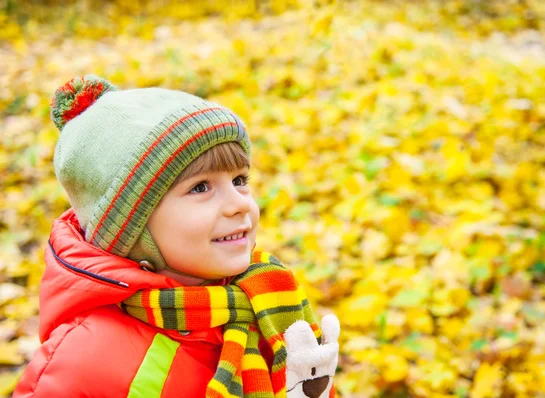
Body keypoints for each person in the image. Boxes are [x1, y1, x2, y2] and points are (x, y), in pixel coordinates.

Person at [13, 75, 339, 398]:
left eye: (239, 180)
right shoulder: (84, 364)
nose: (240, 203)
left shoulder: (270, 303)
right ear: (133, 227)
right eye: (201, 187)